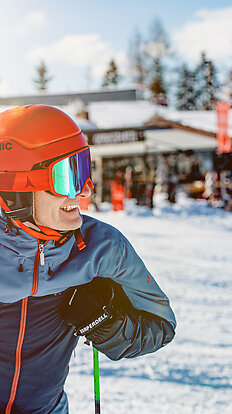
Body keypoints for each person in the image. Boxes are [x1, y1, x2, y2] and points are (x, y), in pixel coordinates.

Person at [0, 105, 176, 414]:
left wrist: (107, 324)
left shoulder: (101, 249)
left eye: (84, 169)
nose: (83, 191)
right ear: (17, 186)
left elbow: (161, 325)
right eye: (67, 176)